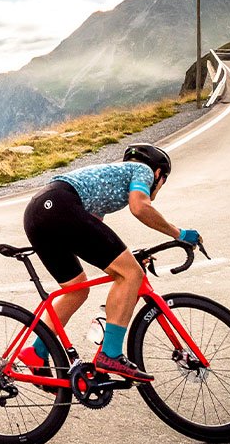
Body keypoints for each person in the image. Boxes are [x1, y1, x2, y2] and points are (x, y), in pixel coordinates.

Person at [18, 143, 200, 383]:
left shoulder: (105, 183)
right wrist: (180, 234)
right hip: (60, 206)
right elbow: (140, 207)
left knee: (78, 289)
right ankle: (110, 354)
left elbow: (96, 239)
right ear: (159, 174)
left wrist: (127, 261)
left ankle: (36, 352)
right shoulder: (142, 170)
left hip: (37, 212)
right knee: (131, 275)